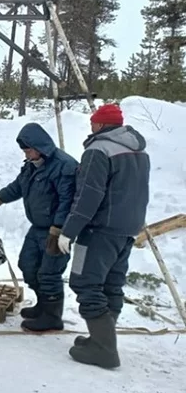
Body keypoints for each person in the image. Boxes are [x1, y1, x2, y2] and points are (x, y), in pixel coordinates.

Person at [57, 104, 150, 369]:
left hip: (98, 230)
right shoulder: (138, 149)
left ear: (100, 125)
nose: (90, 126)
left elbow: (88, 194)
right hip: (127, 229)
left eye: (93, 123)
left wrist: (69, 231)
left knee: (85, 283)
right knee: (111, 283)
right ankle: (102, 339)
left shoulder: (99, 150)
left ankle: (104, 348)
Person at [0, 123, 78, 332]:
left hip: (56, 231)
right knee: (28, 265)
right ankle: (43, 304)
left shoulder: (64, 166)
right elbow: (17, 187)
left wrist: (58, 229)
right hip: (37, 228)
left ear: (40, 146)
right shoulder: (32, 165)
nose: (26, 154)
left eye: (28, 150)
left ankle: (52, 317)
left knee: (49, 273)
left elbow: (67, 201)